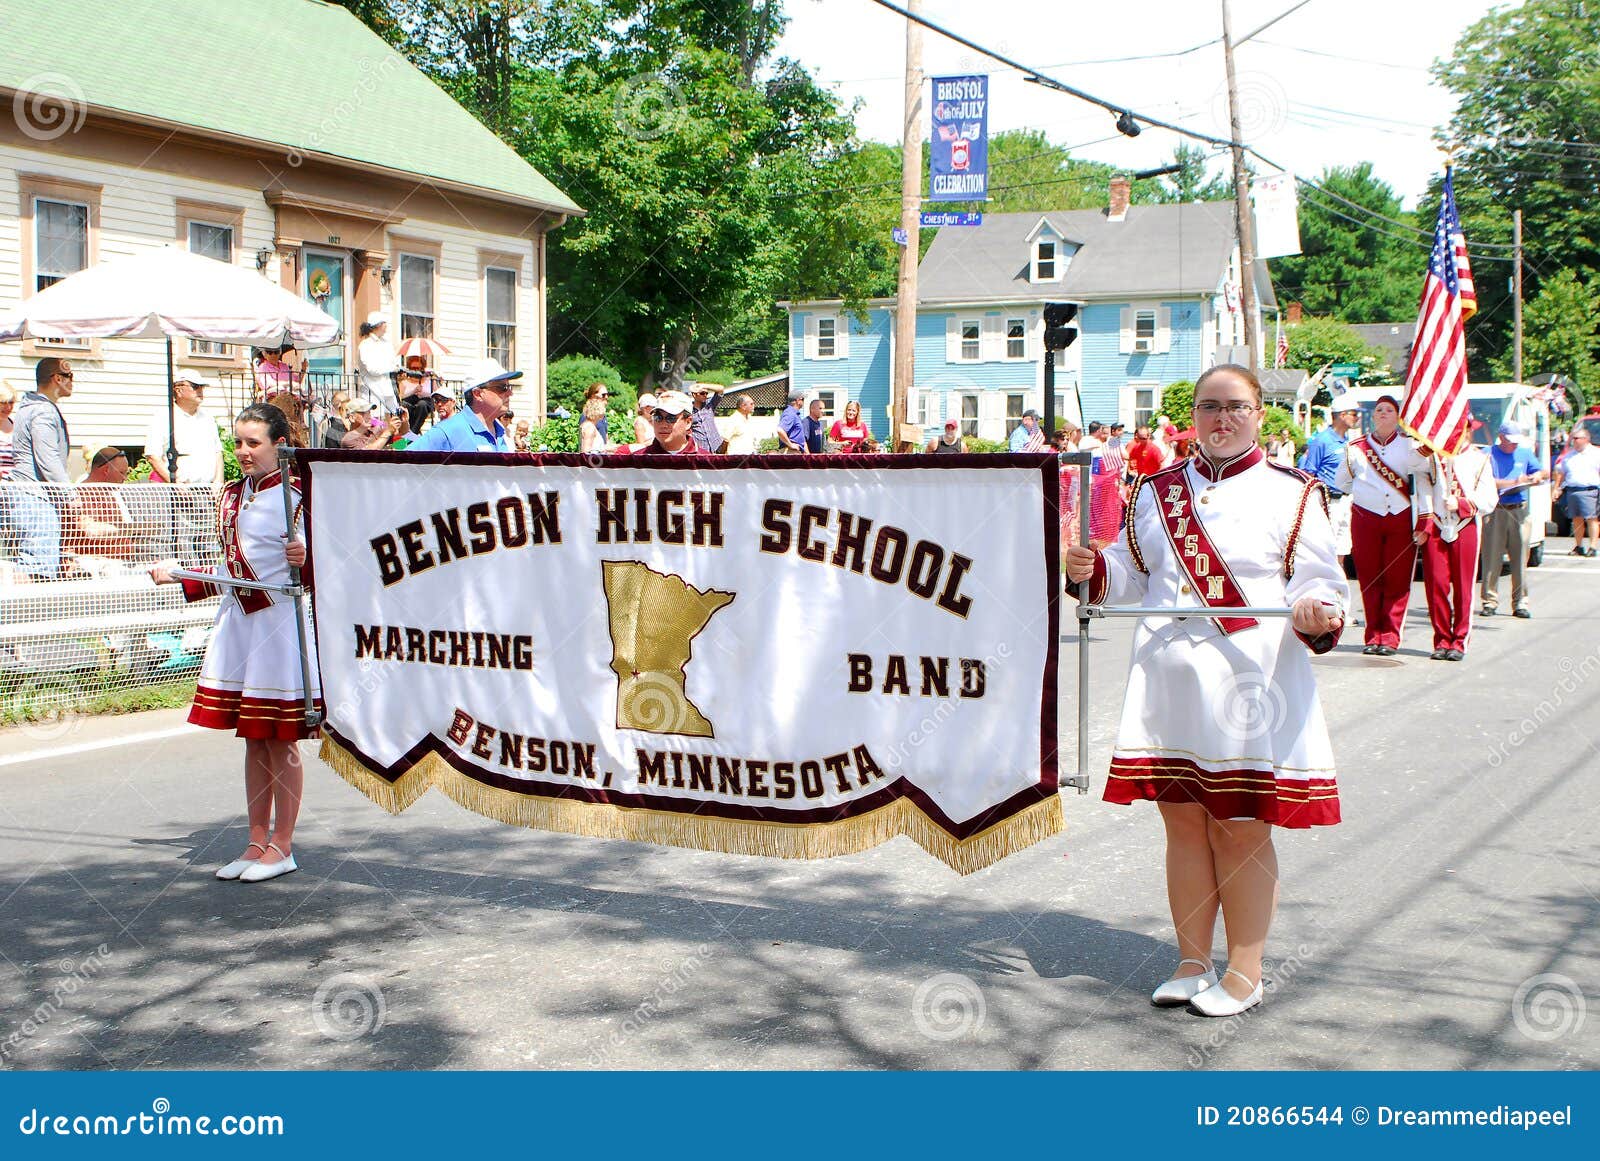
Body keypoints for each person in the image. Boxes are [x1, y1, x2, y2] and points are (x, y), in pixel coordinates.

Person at [1064, 363, 1347, 1018]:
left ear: (1259, 414)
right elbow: (1133, 575)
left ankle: (1246, 970)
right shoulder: (1156, 491)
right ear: (1192, 415)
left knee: (1239, 825)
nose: (1222, 419)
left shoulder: (1294, 491)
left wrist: (1317, 609)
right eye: (1209, 406)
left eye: (1236, 407)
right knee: (1184, 822)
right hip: (1170, 680)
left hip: (1252, 682)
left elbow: (1317, 578)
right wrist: (1092, 568)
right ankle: (1193, 960)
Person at [150, 402, 320, 883]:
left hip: (281, 624)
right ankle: (254, 840)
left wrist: (305, 558)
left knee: (280, 738)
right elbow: (232, 569)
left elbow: (334, 563)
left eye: (254, 443)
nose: (244, 452)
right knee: (253, 738)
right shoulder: (230, 494)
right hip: (242, 623)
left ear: (279, 445)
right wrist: (181, 576)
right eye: (239, 442)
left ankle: (282, 845)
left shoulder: (300, 495)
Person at [1333, 395, 1428, 655]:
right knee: (1369, 577)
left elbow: (1425, 472)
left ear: (1398, 417)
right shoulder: (1356, 447)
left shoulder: (1410, 446)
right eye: (1379, 410)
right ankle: (1372, 635)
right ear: (1373, 416)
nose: (1384, 413)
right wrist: (1365, 494)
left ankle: (1390, 636)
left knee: (1397, 578)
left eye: (1389, 410)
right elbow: (1341, 481)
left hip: (1399, 516)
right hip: (1366, 517)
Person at [1414, 422, 1498, 660]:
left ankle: (1459, 640)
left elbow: (1489, 499)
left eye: (1462, 428)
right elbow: (1421, 484)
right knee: (1436, 585)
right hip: (1438, 525)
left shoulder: (1479, 459)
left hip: (1465, 524)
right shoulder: (1433, 457)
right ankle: (1441, 639)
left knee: (1463, 586)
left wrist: (1462, 504)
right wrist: (1425, 522)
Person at [9, 357, 77, 580]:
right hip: (34, 496)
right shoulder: (42, 411)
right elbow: (47, 458)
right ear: (58, 379)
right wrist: (69, 494)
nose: (73, 382)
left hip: (26, 494)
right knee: (37, 564)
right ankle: (25, 612)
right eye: (70, 377)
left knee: (33, 560)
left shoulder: (29, 406)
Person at [1480, 420, 1545, 619]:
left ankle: (1520, 602)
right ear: (1501, 437)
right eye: (1510, 441)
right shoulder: (1487, 453)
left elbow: (1541, 471)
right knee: (1492, 557)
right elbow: (1484, 481)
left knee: (1519, 559)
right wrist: (1512, 482)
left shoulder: (1524, 453)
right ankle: (1489, 600)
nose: (1514, 445)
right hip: (1496, 510)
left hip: (1519, 509)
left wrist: (1536, 476)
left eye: (1516, 441)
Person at [406, 358, 518, 453]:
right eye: (503, 388)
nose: (510, 393)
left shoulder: (501, 432)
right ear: (478, 394)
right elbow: (402, 463)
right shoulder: (446, 431)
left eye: (509, 387)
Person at [1299, 399, 1360, 565]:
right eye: (1354, 414)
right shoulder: (1322, 440)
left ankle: (1338, 583)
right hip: (1329, 501)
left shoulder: (1347, 441)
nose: (1357, 418)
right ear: (1342, 415)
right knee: (1326, 546)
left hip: (1346, 500)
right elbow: (1309, 473)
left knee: (1343, 546)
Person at [144, 374, 224, 488]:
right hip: (178, 492)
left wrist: (219, 483)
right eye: (195, 386)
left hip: (209, 490)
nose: (200, 390)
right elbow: (152, 455)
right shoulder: (164, 417)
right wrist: (175, 484)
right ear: (179, 390)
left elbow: (218, 452)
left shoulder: (208, 418)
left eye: (202, 387)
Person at [70, 447, 140, 560]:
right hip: (89, 563)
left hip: (121, 563)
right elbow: (89, 530)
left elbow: (123, 526)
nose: (125, 478)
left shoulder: (112, 495)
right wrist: (131, 530)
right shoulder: (77, 496)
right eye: (121, 473)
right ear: (106, 470)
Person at [1554, 425, 1600, 556]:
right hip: (1572, 491)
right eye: (1573, 439)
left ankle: (1592, 547)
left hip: (1590, 490)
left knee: (1592, 518)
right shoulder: (1569, 456)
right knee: (1576, 519)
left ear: (1586, 439)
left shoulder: (1596, 453)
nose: (1574, 441)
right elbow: (1561, 473)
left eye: (1577, 438)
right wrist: (1557, 488)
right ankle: (1579, 546)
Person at [622, 390, 697, 454]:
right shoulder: (638, 461)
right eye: (658, 417)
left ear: (688, 422)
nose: (663, 424)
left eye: (671, 418)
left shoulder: (704, 461)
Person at [356, 313, 399, 410]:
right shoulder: (365, 345)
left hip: (387, 389)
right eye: (384, 323)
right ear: (379, 325)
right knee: (374, 421)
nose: (386, 326)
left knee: (393, 418)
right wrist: (391, 368)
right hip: (372, 390)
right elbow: (372, 369)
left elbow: (393, 362)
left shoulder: (386, 343)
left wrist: (394, 368)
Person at [688, 383, 725, 453]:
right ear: (694, 395)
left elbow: (721, 389)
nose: (705, 395)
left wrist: (704, 386)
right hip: (702, 448)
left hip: (717, 446)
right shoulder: (688, 410)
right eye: (702, 393)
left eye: (706, 393)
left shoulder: (710, 404)